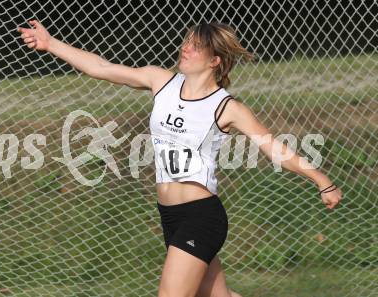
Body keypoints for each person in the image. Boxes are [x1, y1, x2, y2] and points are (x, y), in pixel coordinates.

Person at [18, 20, 342, 297]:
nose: (185, 48)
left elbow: (275, 149)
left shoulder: (226, 107)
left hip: (201, 217)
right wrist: (51, 44)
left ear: (215, 60)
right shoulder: (161, 81)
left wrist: (322, 180)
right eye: (186, 42)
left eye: (195, 46)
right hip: (170, 217)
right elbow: (101, 67)